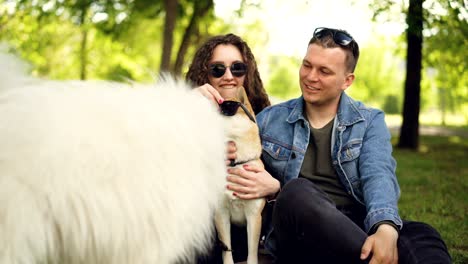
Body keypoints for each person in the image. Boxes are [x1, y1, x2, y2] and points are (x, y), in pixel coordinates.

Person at [224, 27, 452, 263]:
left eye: (324, 71)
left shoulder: (369, 121)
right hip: (299, 231)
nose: (311, 77)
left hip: (353, 228)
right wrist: (273, 187)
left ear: (347, 80)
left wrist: (385, 227)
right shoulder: (269, 120)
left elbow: (379, 174)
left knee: (422, 234)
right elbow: (230, 149)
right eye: (307, 65)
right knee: (296, 192)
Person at [186, 33, 272, 263]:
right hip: (201, 232)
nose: (228, 77)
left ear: (247, 72)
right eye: (217, 69)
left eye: (237, 68)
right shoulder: (186, 114)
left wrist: (274, 186)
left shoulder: (266, 118)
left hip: (251, 230)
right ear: (204, 73)